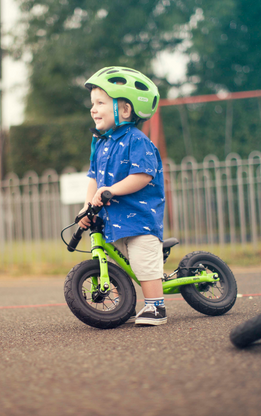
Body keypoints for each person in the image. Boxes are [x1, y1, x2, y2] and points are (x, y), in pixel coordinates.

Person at [78, 66, 166, 325]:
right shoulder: (101, 143)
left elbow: (143, 175)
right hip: (112, 221)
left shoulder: (136, 141)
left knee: (143, 262)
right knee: (119, 264)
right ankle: (121, 304)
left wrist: (112, 190)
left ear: (125, 110)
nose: (93, 109)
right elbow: (93, 178)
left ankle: (156, 307)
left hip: (138, 219)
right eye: (92, 103)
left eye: (100, 103)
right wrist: (86, 207)